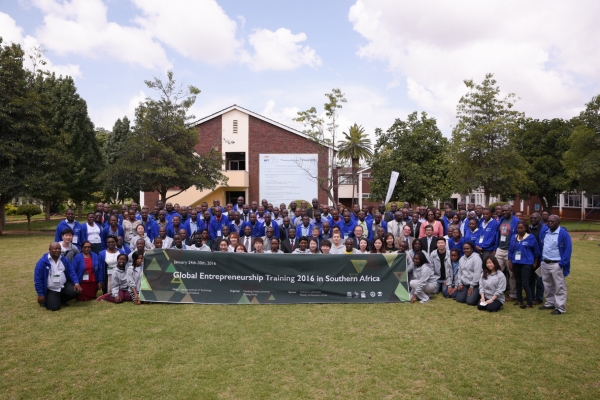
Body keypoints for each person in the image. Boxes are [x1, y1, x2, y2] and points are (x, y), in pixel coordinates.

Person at [539, 215, 572, 315]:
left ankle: (560, 308)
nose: (550, 223)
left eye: (552, 221)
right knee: (547, 284)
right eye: (548, 221)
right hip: (545, 262)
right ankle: (549, 303)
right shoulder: (545, 232)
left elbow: (568, 250)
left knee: (559, 286)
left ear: (558, 222)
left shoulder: (563, 234)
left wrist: (561, 264)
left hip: (556, 264)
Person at [34, 242, 82, 311]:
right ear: (49, 250)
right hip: (52, 289)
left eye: (59, 249)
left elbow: (71, 271)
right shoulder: (42, 262)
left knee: (77, 290)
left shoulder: (63, 259)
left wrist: (76, 283)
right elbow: (38, 279)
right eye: (55, 249)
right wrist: (40, 294)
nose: (57, 251)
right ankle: (54, 299)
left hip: (63, 285)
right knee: (54, 308)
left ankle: (61, 299)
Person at [508, 221, 541, 309]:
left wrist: (535, 263)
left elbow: (536, 252)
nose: (519, 229)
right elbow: (511, 251)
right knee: (517, 281)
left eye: (521, 228)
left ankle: (529, 302)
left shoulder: (531, 238)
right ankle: (519, 300)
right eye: (518, 228)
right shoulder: (514, 237)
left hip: (526, 263)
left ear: (525, 228)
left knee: (525, 282)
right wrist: (510, 262)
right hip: (516, 263)